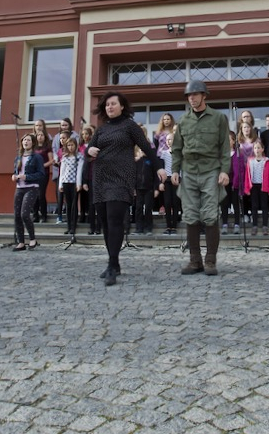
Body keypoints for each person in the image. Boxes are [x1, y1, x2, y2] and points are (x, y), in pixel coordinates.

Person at [86, 92, 165, 286]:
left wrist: (159, 167)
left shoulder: (130, 126)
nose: (110, 107)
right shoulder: (102, 129)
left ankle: (111, 266)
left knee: (115, 219)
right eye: (107, 105)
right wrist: (89, 150)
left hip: (121, 178)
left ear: (122, 106)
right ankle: (114, 262)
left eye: (113, 104)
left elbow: (146, 147)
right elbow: (89, 150)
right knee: (105, 222)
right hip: (101, 178)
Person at [171, 80, 231, 275]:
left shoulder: (218, 118)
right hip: (188, 171)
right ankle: (195, 261)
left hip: (211, 170)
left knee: (210, 215)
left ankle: (210, 261)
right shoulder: (183, 120)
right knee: (190, 215)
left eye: (195, 94)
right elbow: (177, 148)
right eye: (189, 95)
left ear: (204, 95)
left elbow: (224, 148)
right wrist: (174, 170)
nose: (192, 98)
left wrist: (224, 170)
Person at [12, 133, 45, 250]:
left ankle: (32, 239)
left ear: (33, 143)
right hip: (19, 188)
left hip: (31, 187)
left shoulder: (37, 157)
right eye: (24, 140)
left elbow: (41, 174)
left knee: (24, 214)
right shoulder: (18, 157)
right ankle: (21, 242)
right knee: (17, 215)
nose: (26, 142)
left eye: (28, 140)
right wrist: (14, 176)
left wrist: (27, 177)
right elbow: (16, 171)